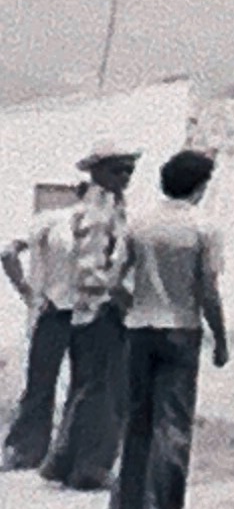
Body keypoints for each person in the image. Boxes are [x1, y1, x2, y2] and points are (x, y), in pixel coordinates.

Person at [111, 148, 229, 509]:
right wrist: (220, 338)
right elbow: (208, 290)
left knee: (138, 420)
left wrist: (132, 308)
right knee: (172, 422)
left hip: (140, 328)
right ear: (199, 185)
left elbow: (113, 282)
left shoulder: (140, 222)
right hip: (181, 328)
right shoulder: (203, 227)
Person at [40, 142, 139, 490]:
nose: (125, 176)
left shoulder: (109, 205)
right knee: (107, 391)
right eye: (117, 170)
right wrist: (120, 300)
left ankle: (63, 460)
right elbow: (92, 267)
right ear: (97, 171)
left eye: (129, 170)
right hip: (102, 310)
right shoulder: (99, 212)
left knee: (88, 386)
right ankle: (90, 467)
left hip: (90, 311)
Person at [2, 193, 79, 469]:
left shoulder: (51, 220)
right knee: (71, 385)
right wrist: (27, 293)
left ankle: (29, 451)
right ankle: (60, 452)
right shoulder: (59, 220)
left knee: (42, 383)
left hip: (60, 309)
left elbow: (8, 253)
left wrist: (27, 292)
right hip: (73, 311)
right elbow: (8, 253)